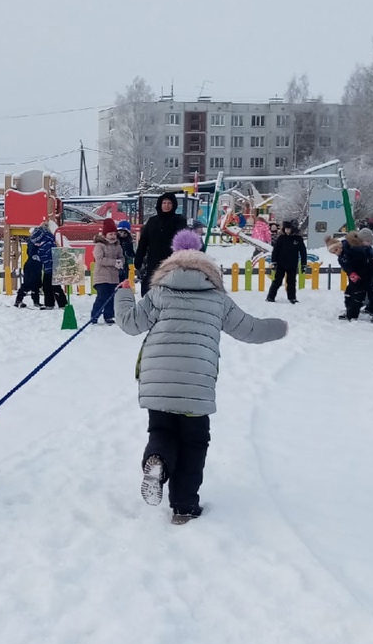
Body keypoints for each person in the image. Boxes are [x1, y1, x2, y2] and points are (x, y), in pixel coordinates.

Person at [115, 229, 288, 524]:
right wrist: (281, 327)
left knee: (162, 432)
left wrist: (123, 292)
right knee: (194, 443)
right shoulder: (217, 299)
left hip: (158, 380)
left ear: (170, 264)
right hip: (197, 384)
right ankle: (184, 507)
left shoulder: (159, 293)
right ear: (208, 267)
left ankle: (157, 461)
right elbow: (250, 329)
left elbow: (130, 324)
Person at [134, 192, 187, 294]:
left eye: (169, 203)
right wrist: (139, 258)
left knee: (169, 290)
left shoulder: (179, 220)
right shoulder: (152, 221)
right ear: (160, 204)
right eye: (164, 203)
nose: (166, 206)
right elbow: (144, 241)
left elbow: (184, 240)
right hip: (153, 260)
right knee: (150, 289)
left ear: (174, 205)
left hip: (172, 262)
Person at [334, 230, 373, 320]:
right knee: (354, 293)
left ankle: (371, 310)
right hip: (357, 275)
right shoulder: (353, 249)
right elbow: (350, 263)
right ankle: (351, 312)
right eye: (367, 241)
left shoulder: (366, 249)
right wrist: (352, 272)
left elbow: (369, 260)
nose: (368, 243)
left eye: (370, 242)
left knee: (368, 293)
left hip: (366, 275)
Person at [89, 218, 124, 324]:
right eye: (110, 234)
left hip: (113, 277)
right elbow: (99, 260)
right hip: (101, 277)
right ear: (105, 235)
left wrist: (121, 262)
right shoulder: (100, 245)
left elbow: (121, 257)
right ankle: (95, 315)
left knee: (111, 297)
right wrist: (114, 262)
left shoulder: (117, 246)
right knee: (102, 297)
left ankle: (109, 316)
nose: (113, 236)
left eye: (114, 234)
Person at [28, 218, 68, 309]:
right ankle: (53, 304)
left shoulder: (46, 241)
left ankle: (60, 304)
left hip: (51, 266)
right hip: (50, 266)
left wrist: (38, 257)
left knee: (52, 285)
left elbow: (46, 254)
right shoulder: (48, 238)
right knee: (49, 285)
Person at [266, 219, 307, 303]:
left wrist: (303, 264)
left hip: (292, 264)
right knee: (277, 281)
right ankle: (270, 297)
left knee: (291, 282)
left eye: (289, 229)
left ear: (293, 229)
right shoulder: (281, 238)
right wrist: (274, 262)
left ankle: (292, 297)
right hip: (281, 264)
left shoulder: (298, 239)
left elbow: (303, 252)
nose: (287, 231)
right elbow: (275, 251)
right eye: (286, 229)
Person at [13, 237, 43, 309]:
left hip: (37, 265)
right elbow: (31, 252)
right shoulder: (33, 241)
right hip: (31, 265)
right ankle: (18, 300)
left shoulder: (39, 241)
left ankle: (36, 301)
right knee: (28, 283)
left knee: (36, 284)